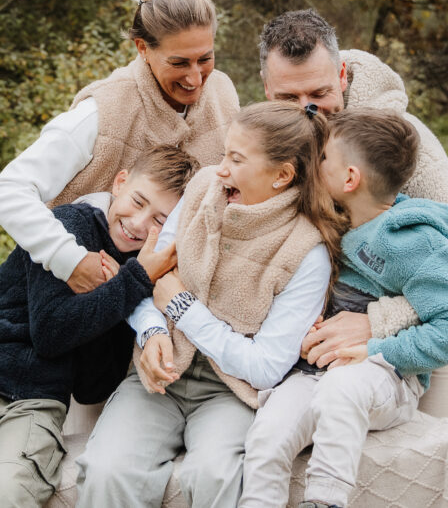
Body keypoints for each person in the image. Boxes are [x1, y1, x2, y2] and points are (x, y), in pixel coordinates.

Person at [0, 146, 198, 508]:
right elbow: (50, 333)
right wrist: (130, 283)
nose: (141, 224)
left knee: (9, 492)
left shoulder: (135, 279)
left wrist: (123, 294)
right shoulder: (71, 226)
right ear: (120, 182)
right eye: (138, 201)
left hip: (38, 398)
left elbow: (93, 385)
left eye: (160, 220)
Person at [74, 102, 346, 508]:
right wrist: (150, 332)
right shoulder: (203, 188)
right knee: (108, 470)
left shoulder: (307, 252)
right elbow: (147, 277)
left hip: (231, 392)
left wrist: (183, 308)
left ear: (282, 175)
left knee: (216, 475)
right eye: (224, 155)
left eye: (236, 160)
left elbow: (266, 367)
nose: (220, 169)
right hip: (160, 376)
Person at [258, 9, 448, 418]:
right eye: (289, 98)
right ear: (266, 90)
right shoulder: (261, 142)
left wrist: (379, 321)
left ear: (342, 75)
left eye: (319, 94)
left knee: (420, 454)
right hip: (324, 332)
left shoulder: (394, 144)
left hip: (431, 324)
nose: (307, 111)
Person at [240, 108, 448, 508]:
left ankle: (325, 500)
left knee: (340, 391)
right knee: (268, 434)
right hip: (312, 372)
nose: (314, 163)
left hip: (382, 377)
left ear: (350, 178)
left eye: (322, 158)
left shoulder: (414, 241)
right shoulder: (335, 220)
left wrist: (378, 349)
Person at [0, 0, 239, 296]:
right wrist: (70, 261)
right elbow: (8, 190)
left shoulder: (224, 96)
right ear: (143, 48)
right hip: (78, 298)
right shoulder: (103, 111)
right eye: (179, 62)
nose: (194, 77)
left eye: (205, 59)